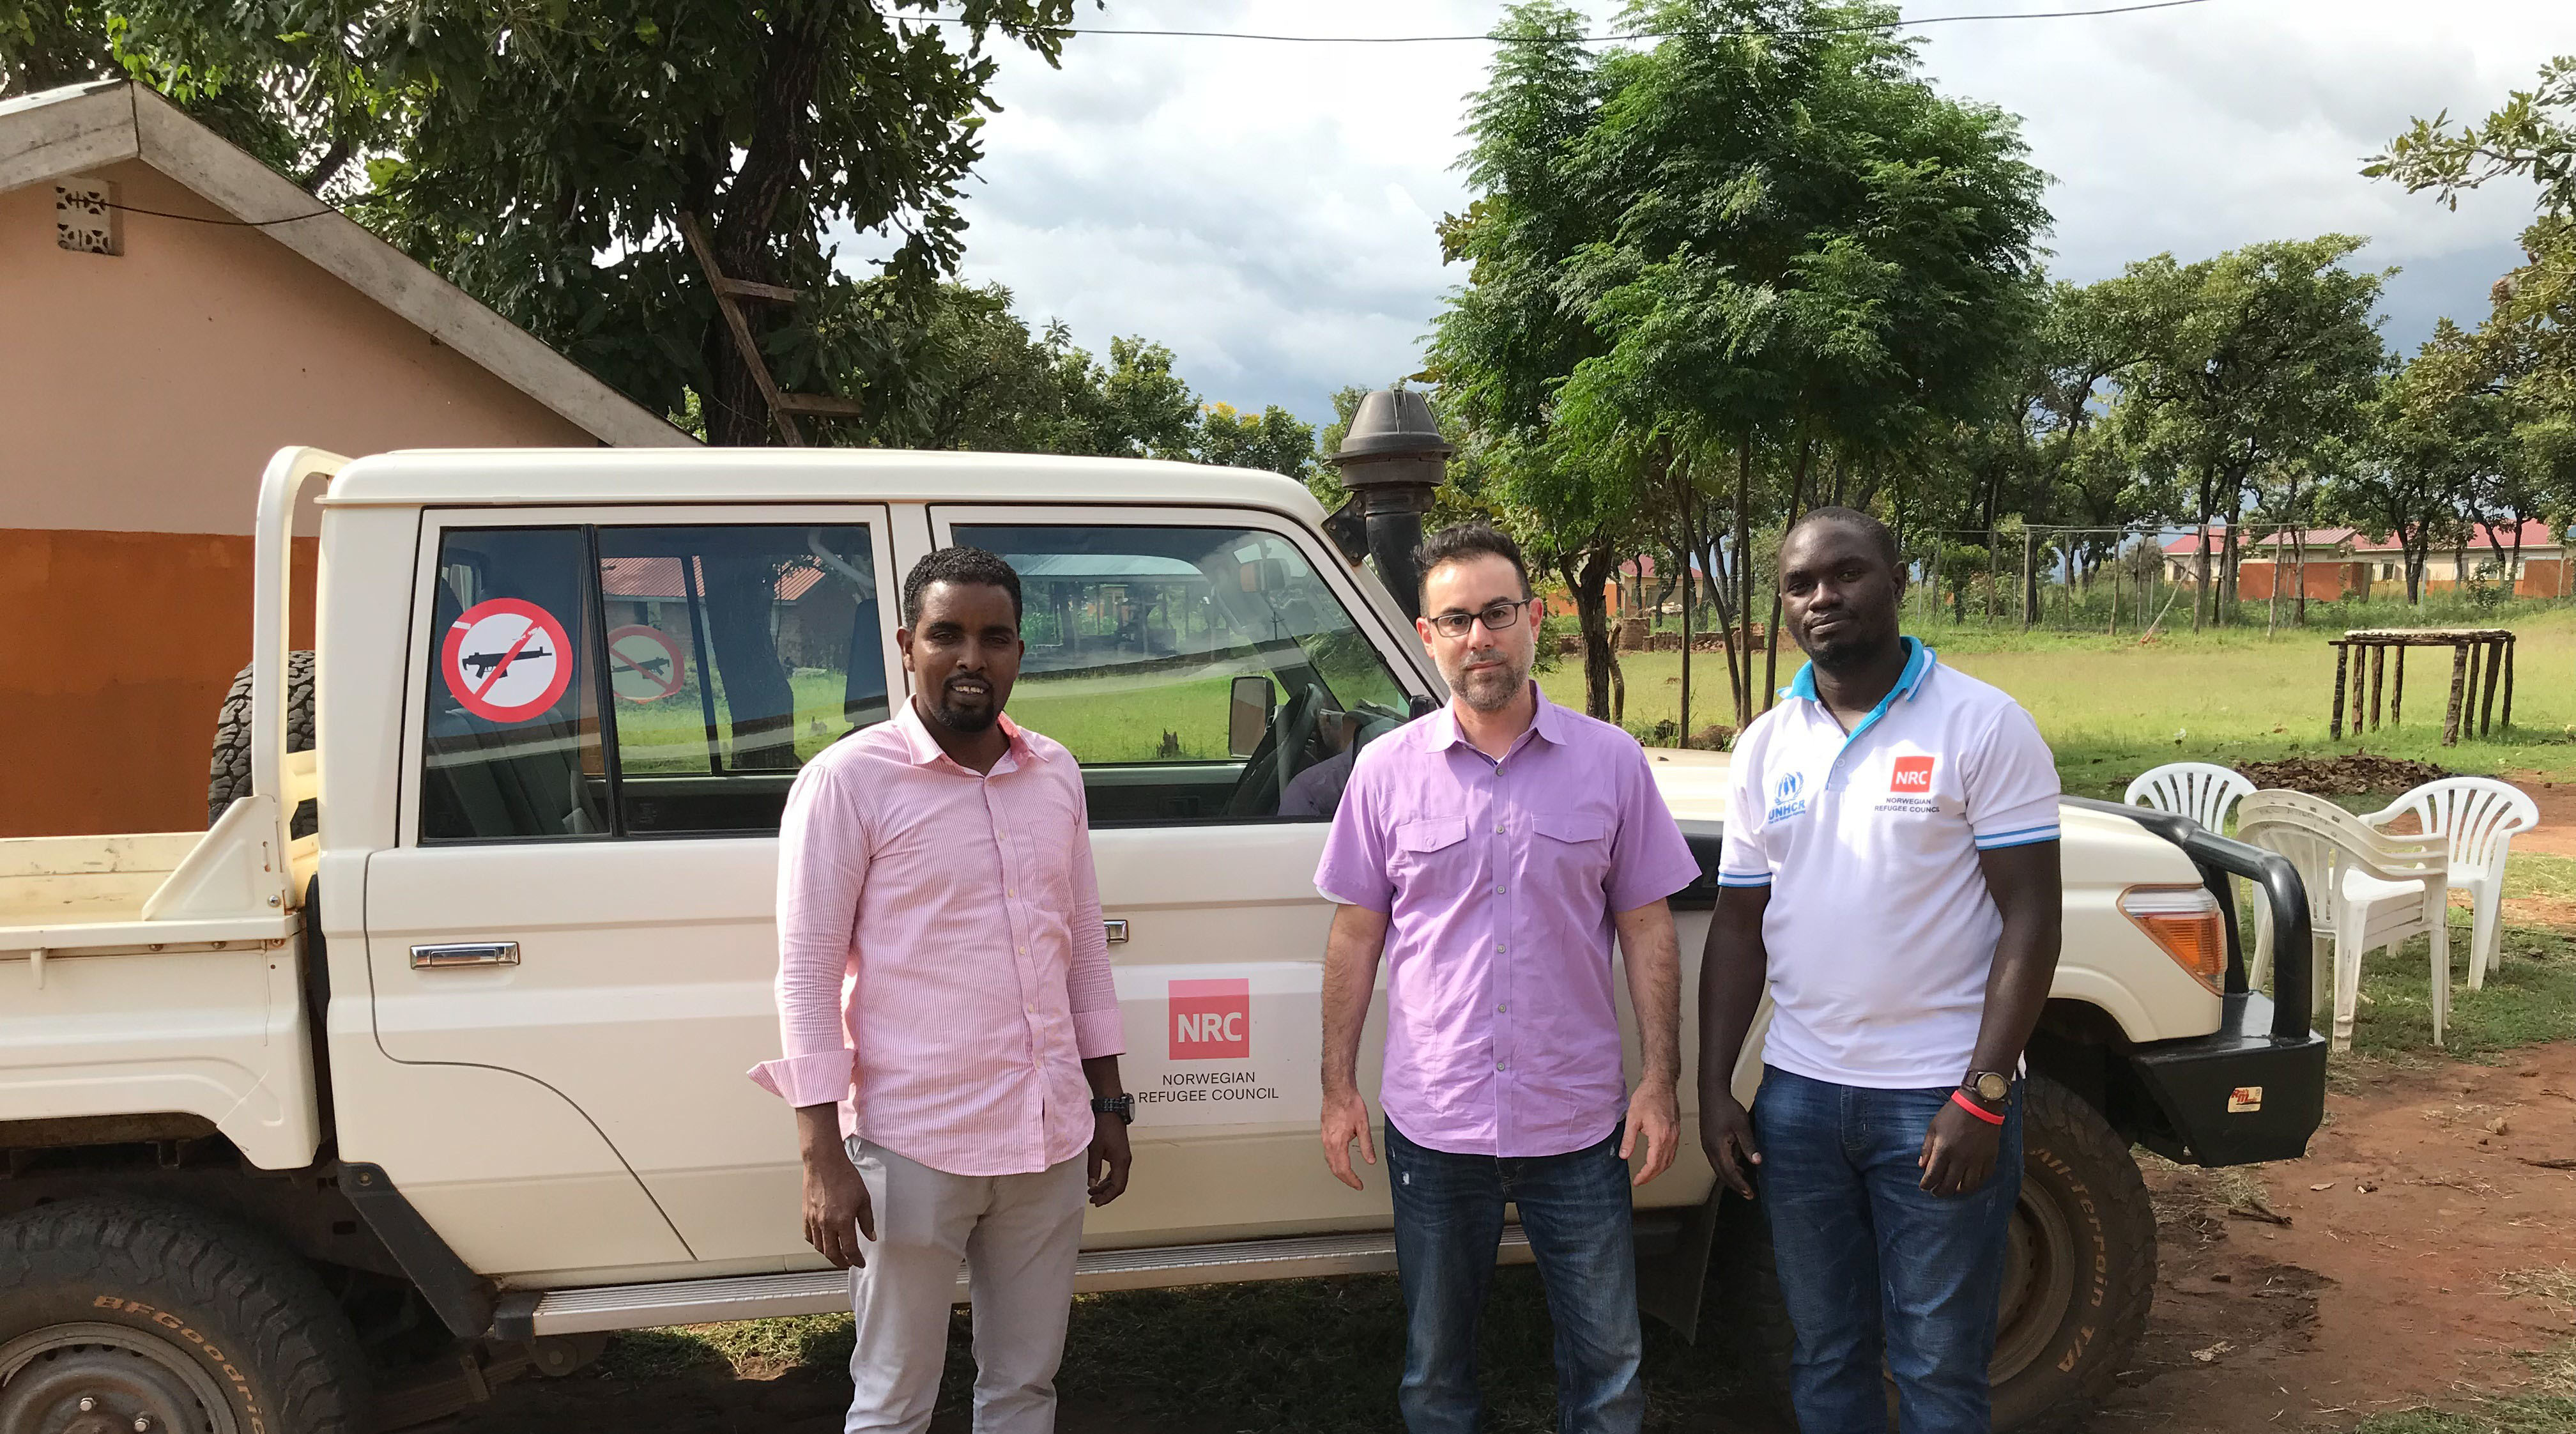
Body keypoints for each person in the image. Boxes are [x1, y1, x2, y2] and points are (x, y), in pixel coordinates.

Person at [1315, 522, 1702, 1434]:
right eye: (1457, 620)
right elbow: (1354, 938)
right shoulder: (1383, 774)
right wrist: (1337, 1088)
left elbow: (1648, 927)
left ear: (1533, 621)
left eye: (1496, 613)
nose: (1479, 637)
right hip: (1435, 1125)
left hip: (1578, 1127)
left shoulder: (1611, 763)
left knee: (1608, 1371)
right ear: (1427, 636)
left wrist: (1659, 1080)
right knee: (1435, 1376)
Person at [750, 546, 1134, 1434]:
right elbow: (806, 974)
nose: (972, 658)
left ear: (1019, 653)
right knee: (892, 1400)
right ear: (905, 645)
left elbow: (1080, 949)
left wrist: (1108, 1098)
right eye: (947, 635)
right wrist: (822, 1156)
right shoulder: (848, 782)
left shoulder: (1055, 773)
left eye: (994, 638)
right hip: (914, 1142)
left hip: (1047, 1137)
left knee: (1025, 1390)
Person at [1697, 507, 2062, 1434]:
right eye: (1800, 584)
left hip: (1936, 1100)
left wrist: (1982, 1094)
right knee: (1826, 1357)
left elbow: (2033, 917)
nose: (1823, 598)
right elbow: (1739, 928)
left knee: (1938, 1367)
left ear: (1898, 578)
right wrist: (1715, 1090)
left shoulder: (1982, 724)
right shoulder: (1766, 746)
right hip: (1803, 1101)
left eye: (1846, 574)